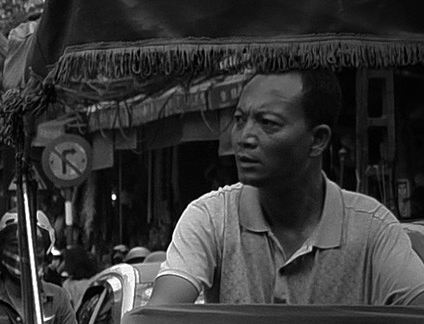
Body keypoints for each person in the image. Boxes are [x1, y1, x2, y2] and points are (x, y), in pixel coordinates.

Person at [151, 69, 424, 307]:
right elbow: (158, 322)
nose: (244, 138)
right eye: (239, 120)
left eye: (267, 123)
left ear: (318, 139)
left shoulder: (372, 228)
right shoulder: (211, 218)